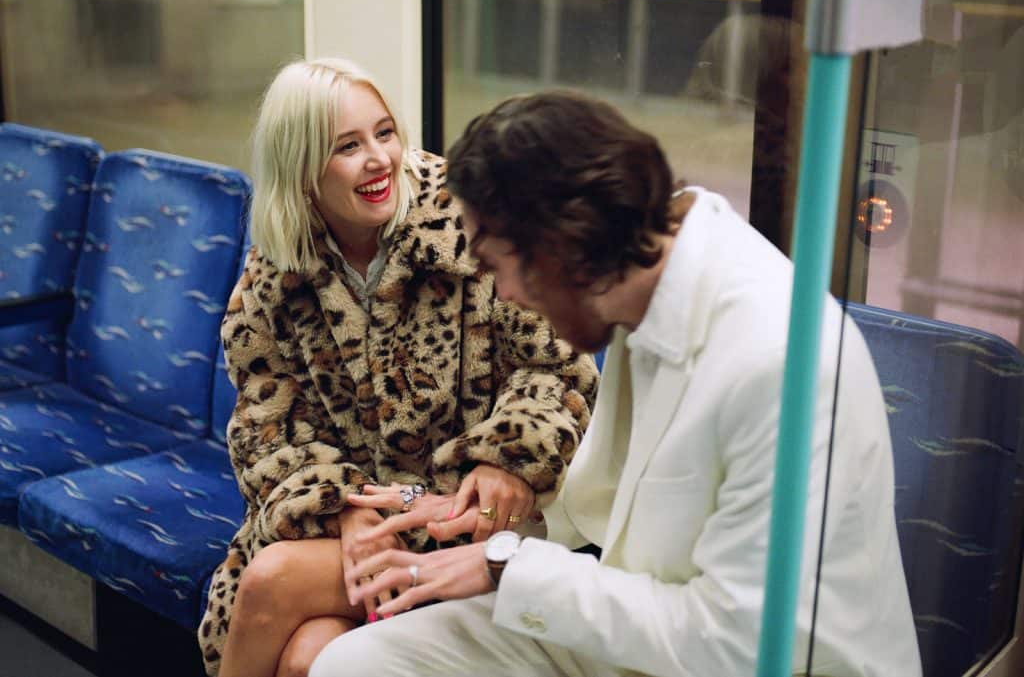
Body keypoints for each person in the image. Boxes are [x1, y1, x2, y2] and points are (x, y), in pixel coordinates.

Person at [309, 90, 922, 677]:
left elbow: (735, 642)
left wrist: (508, 569)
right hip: (647, 629)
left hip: (745, 659)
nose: (504, 295)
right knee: (350, 664)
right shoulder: (647, 273)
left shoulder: (778, 363)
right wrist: (497, 526)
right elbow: (613, 508)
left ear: (558, 246)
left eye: (496, 265)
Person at [197, 63, 599, 677]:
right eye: (348, 147)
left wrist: (505, 459)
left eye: (385, 133)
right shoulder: (274, 275)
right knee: (305, 658)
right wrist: (343, 508)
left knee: (271, 579)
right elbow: (266, 431)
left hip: (461, 516)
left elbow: (556, 365)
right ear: (302, 169)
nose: (380, 158)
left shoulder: (469, 221)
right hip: (350, 523)